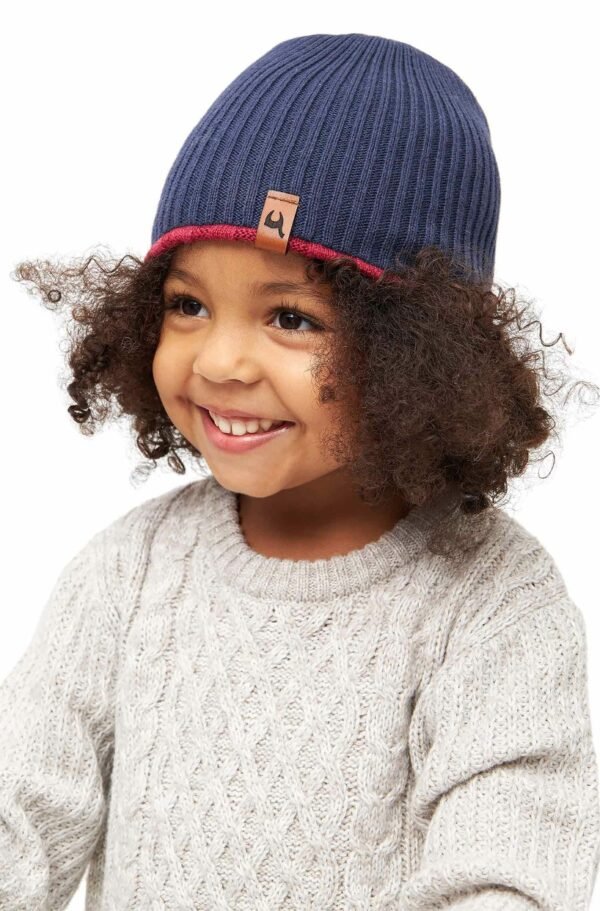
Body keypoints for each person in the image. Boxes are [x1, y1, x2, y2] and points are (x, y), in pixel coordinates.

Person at [2, 32, 600, 910]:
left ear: (419, 354)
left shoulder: (492, 604)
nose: (220, 361)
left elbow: (511, 871)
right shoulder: (128, 574)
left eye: (290, 317)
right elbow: (19, 812)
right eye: (188, 304)